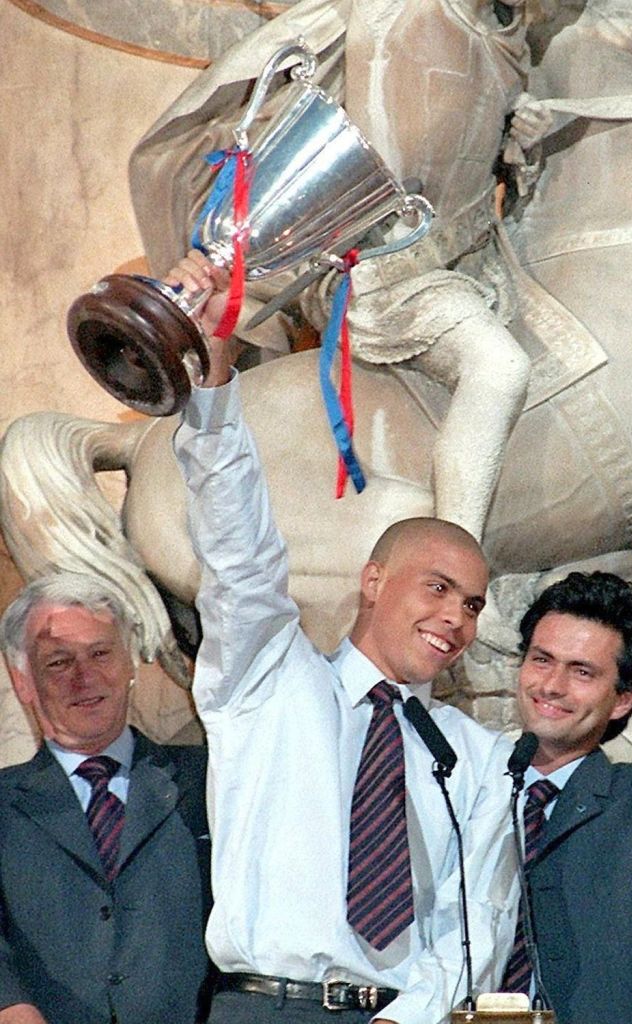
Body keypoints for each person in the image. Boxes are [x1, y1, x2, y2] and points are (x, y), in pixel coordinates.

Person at [168, 252, 518, 1024]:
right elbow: (240, 554)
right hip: (264, 1006)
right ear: (373, 580)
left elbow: (477, 922)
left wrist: (404, 1019)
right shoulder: (269, 679)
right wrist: (213, 381)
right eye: (437, 588)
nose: (456, 619)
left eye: (472, 604)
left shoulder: (476, 756)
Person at [0, 572, 212, 1024]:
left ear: (131, 664)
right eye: (59, 662)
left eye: (100, 653)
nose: (85, 677)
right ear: (23, 682)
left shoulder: (208, 782)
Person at [502, 569, 632, 1024]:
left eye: (582, 672)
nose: (552, 686)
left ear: (623, 699)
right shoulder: (456, 785)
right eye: (541, 660)